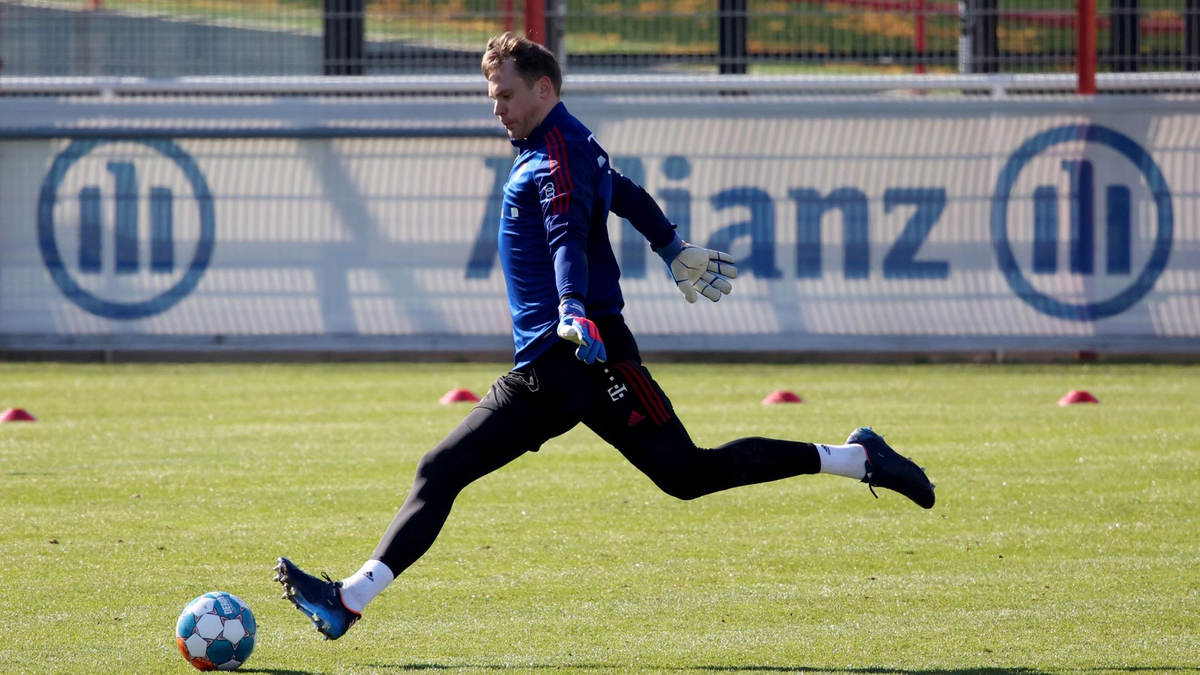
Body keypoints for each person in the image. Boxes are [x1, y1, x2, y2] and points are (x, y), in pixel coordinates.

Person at [274, 32, 935, 641]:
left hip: (589, 353)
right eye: (492, 97)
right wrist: (670, 243)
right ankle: (348, 599)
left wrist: (571, 303)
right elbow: (622, 192)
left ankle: (856, 458)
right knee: (440, 469)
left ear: (544, 88)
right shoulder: (565, 144)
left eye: (506, 94)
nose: (497, 108)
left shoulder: (557, 153)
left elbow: (567, 233)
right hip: (547, 368)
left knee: (688, 474)